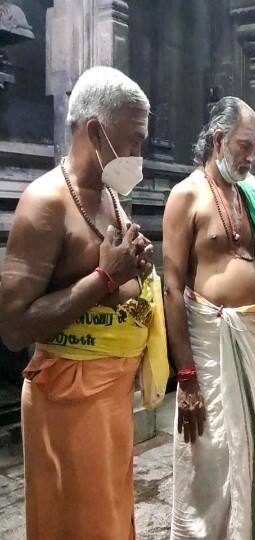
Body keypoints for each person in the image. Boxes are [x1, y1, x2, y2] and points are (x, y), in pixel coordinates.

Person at [0, 66, 163, 540]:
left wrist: (138, 268)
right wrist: (105, 278)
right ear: (95, 131)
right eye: (133, 141)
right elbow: (12, 327)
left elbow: (116, 277)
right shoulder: (45, 202)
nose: (138, 155)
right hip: (69, 403)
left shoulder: (111, 194)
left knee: (112, 518)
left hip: (111, 397)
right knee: (80, 525)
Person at [164, 97, 255, 539]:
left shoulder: (249, 193)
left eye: (254, 147)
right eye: (243, 146)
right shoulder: (186, 196)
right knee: (211, 455)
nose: (250, 157)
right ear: (218, 140)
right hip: (210, 345)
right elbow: (172, 287)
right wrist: (187, 377)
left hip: (252, 337)